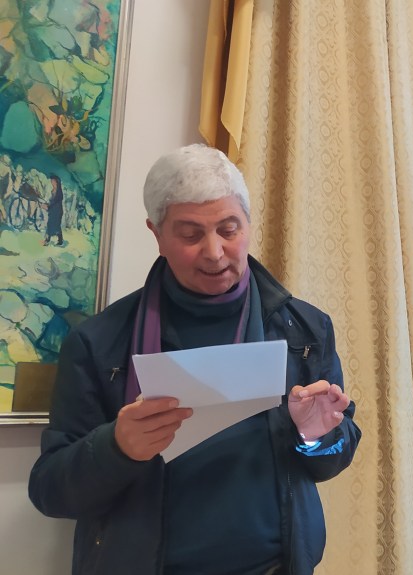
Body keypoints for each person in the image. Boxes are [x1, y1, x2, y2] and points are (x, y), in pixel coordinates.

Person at [28, 144, 361, 575]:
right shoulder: (99, 342)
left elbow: (333, 456)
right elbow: (50, 491)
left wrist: (315, 437)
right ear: (156, 234)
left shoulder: (304, 330)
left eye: (229, 229)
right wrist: (117, 447)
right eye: (190, 234)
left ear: (248, 224)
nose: (214, 251)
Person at [43, 175, 64, 246]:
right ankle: (48, 239)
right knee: (50, 224)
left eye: (53, 181)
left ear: (56, 182)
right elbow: (52, 201)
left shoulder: (59, 192)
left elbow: (55, 202)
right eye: (51, 181)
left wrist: (48, 206)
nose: (52, 182)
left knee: (56, 225)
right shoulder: (53, 190)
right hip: (53, 210)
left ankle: (58, 240)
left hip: (57, 211)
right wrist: (47, 204)